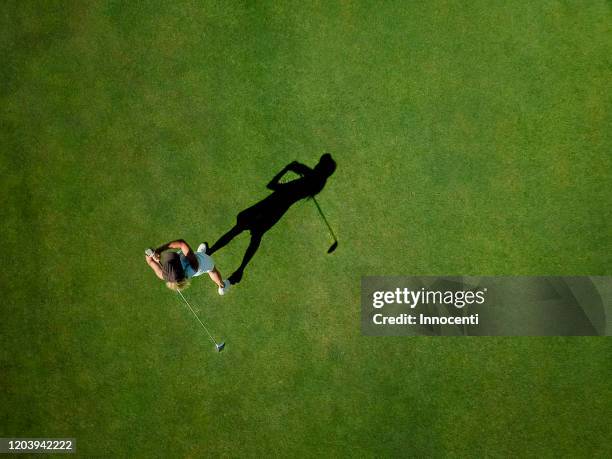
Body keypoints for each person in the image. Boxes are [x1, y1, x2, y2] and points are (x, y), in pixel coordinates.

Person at [145, 239, 230, 294]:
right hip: (202, 263)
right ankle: (222, 285)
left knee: (192, 254)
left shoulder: (162, 275)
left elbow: (149, 261)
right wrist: (160, 250)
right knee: (212, 270)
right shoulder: (194, 266)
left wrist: (152, 254)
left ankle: (199, 253)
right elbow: (181, 243)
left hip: (192, 258)